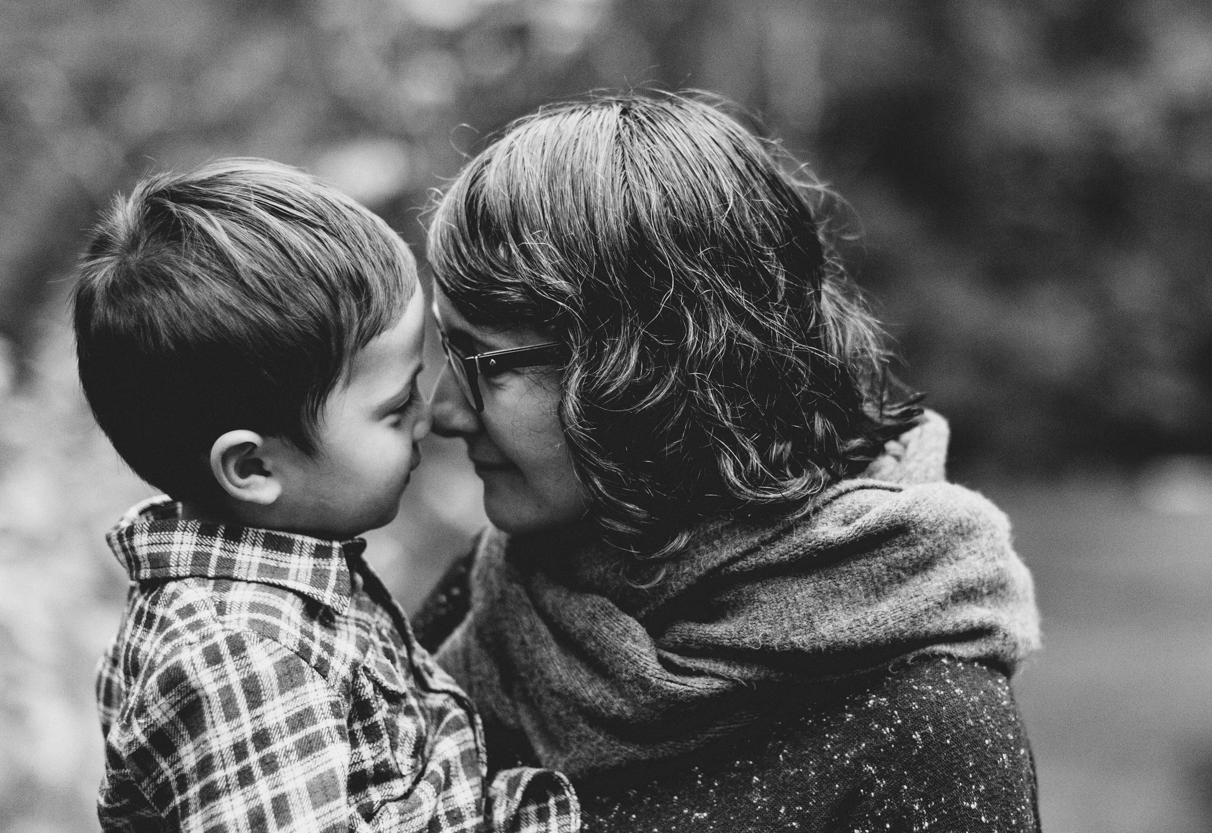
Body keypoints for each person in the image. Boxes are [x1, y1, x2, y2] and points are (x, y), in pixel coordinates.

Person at [413, 93, 1044, 831]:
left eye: (483, 362)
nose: (442, 412)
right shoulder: (498, 587)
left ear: (645, 371)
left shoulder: (925, 733)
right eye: (442, 346)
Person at [73, 161, 580, 833]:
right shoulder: (241, 661)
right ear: (253, 467)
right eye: (396, 407)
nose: (430, 418)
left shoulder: (278, 596)